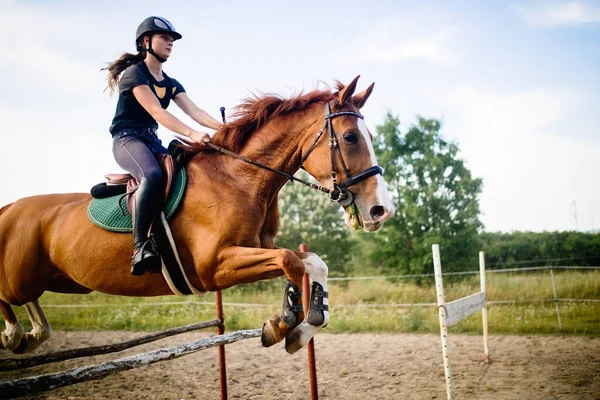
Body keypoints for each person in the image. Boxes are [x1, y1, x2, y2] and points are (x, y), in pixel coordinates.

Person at [103, 16, 222, 276]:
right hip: (127, 139)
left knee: (187, 171)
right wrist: (192, 133)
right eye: (164, 38)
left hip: (151, 140)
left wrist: (224, 129)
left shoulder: (171, 82)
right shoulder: (134, 74)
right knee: (153, 175)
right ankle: (139, 248)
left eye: (172, 40)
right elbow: (157, 112)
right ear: (146, 41)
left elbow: (195, 110)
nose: (170, 43)